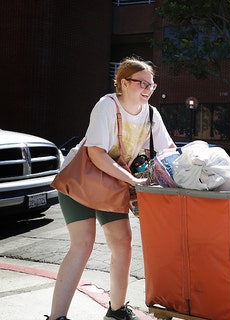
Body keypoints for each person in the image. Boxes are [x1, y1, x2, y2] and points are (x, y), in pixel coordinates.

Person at [47, 57, 176, 320]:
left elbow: (169, 151)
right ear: (124, 83)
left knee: (123, 244)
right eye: (143, 83)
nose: (148, 90)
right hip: (80, 181)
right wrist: (134, 181)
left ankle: (116, 311)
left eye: (152, 85)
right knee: (82, 245)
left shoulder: (151, 114)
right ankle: (57, 317)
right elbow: (95, 153)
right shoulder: (107, 105)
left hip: (114, 184)